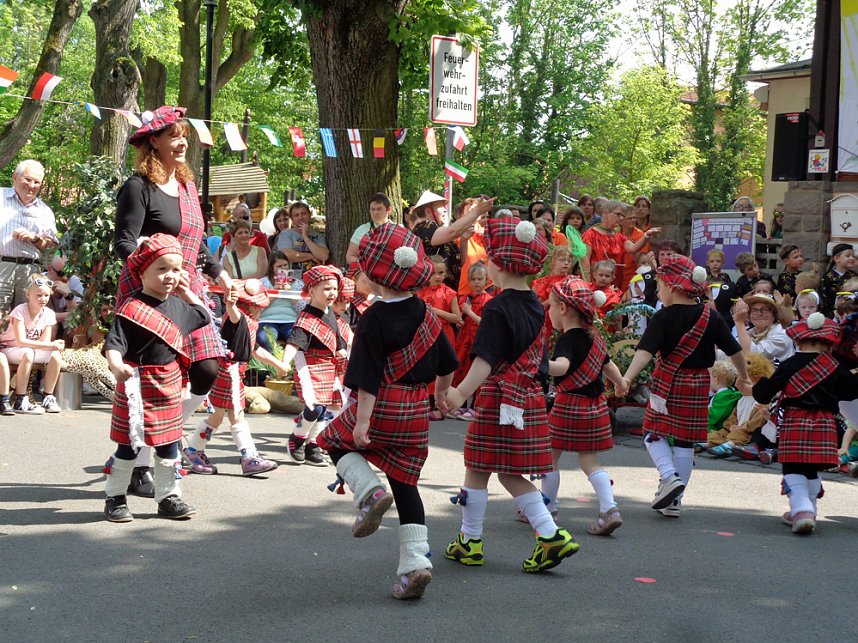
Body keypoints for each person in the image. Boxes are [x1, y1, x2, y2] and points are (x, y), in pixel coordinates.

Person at [316, 222, 458, 600]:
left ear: (376, 278)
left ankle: (368, 491)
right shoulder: (428, 314)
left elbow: (366, 378)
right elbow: (448, 364)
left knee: (331, 441)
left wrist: (362, 422)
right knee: (406, 484)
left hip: (382, 405)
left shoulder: (373, 318)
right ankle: (415, 565)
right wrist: (441, 396)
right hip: (416, 412)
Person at [440, 213, 580, 574]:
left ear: (499, 264)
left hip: (499, 396)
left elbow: (485, 360)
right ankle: (547, 534)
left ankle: (473, 541)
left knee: (478, 468)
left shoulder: (496, 306)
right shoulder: (535, 302)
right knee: (506, 472)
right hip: (528, 396)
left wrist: (459, 393)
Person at [115, 106, 232, 498]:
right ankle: (139, 466)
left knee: (208, 368)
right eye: (173, 136)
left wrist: (221, 275)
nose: (182, 143)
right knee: (151, 377)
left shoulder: (186, 186)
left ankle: (160, 435)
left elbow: (197, 245)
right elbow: (124, 243)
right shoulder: (138, 186)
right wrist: (153, 265)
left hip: (188, 289)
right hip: (149, 292)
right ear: (154, 141)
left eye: (184, 135)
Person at [622, 254, 750, 518]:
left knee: (652, 432)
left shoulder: (663, 317)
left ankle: (669, 476)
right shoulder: (711, 316)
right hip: (699, 382)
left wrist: (627, 378)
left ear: (672, 286)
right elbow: (734, 350)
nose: (658, 291)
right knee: (685, 441)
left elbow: (645, 352)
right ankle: (674, 502)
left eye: (660, 285)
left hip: (668, 381)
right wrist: (744, 376)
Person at [101, 234, 210, 522]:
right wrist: (116, 366)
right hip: (136, 384)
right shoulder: (131, 308)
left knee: (169, 445)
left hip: (169, 384)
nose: (170, 275)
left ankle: (168, 497)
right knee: (129, 445)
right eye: (162, 268)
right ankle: (115, 498)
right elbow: (114, 345)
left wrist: (186, 292)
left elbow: (203, 315)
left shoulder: (179, 306)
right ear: (142, 272)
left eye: (176, 269)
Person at [751, 313, 858, 534]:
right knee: (811, 468)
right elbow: (851, 392)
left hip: (795, 419)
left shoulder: (790, 364)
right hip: (825, 422)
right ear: (828, 342)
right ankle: (808, 510)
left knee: (793, 466)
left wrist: (760, 384)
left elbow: (764, 394)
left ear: (798, 340)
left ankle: (802, 509)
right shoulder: (835, 367)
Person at [541, 277, 629, 535]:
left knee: (550, 458)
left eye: (551, 305)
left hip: (568, 405)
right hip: (595, 407)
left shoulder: (567, 339)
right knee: (590, 462)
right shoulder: (595, 338)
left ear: (563, 308)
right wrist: (621, 383)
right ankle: (609, 509)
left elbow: (562, 367)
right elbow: (608, 365)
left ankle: (547, 509)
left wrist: (541, 364)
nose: (549, 311)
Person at [183, 280, 279, 477]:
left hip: (231, 371)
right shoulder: (238, 317)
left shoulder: (248, 323)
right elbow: (235, 315)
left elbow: (254, 349)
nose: (261, 310)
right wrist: (231, 304)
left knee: (217, 416)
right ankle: (249, 457)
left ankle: (194, 450)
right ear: (252, 306)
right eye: (259, 306)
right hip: (230, 371)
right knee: (236, 415)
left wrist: (277, 364)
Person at [280, 265, 347, 466]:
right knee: (314, 407)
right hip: (309, 364)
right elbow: (294, 343)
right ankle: (297, 439)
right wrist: (283, 362)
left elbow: (337, 339)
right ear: (311, 291)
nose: (332, 293)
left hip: (328, 365)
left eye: (334, 288)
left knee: (324, 408)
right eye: (326, 288)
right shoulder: (306, 318)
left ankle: (313, 445)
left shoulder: (330, 313)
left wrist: (341, 351)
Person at [0, 160, 58, 316]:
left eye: (36, 182)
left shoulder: (45, 211)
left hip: (30, 270)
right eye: (28, 179)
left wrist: (35, 238)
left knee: (26, 318)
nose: (31, 185)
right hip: (2, 266)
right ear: (15, 177)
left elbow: (52, 247)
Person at [0, 273, 64, 414]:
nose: (43, 299)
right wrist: (51, 345)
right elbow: (21, 341)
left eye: (46, 295)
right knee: (28, 353)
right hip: (10, 348)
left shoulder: (49, 313)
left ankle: (48, 397)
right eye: (39, 295)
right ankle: (20, 399)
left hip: (28, 349)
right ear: (28, 294)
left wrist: (53, 346)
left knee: (55, 355)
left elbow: (45, 342)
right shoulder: (20, 311)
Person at [417, 256, 461, 421]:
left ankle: (440, 405)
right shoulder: (420, 292)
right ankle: (426, 403)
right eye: (433, 273)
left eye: (441, 273)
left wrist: (437, 312)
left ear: (446, 274)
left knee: (443, 368)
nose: (437, 276)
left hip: (444, 334)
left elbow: (457, 318)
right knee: (426, 366)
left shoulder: (449, 293)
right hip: (425, 334)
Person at [581, 199, 659, 285]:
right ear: (606, 214)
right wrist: (587, 285)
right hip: (596, 284)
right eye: (618, 214)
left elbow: (633, 248)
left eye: (622, 215)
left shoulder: (618, 236)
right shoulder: (590, 234)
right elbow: (584, 261)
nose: (621, 218)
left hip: (615, 284)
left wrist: (646, 235)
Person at [451, 262, 492, 420]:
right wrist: (460, 319)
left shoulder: (488, 300)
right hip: (464, 339)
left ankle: (475, 406)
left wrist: (469, 312)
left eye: (480, 279)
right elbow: (461, 320)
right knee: (461, 370)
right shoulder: (466, 298)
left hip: (479, 339)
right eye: (473, 279)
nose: (476, 282)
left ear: (486, 280)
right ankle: (461, 404)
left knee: (477, 372)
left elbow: (485, 323)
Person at [733, 293, 795, 363]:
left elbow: (753, 355)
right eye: (754, 310)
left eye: (765, 309)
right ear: (749, 316)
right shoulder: (750, 332)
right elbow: (730, 352)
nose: (759, 314)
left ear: (774, 315)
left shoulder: (782, 334)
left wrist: (739, 322)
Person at [256, 250, 299, 353]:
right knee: (264, 338)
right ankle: (271, 362)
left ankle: (290, 361)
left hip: (290, 320)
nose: (283, 268)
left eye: (285, 265)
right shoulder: (263, 283)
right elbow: (258, 307)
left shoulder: (297, 283)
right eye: (279, 266)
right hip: (267, 320)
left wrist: (290, 292)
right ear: (272, 268)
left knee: (296, 338)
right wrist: (275, 292)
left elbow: (302, 308)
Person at [275, 201, 330, 271]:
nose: (300, 217)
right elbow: (285, 255)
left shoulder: (318, 236)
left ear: (309, 215)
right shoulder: (286, 234)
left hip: (315, 275)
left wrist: (306, 238)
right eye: (296, 215)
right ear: (292, 219)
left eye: (303, 213)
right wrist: (311, 256)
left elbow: (324, 256)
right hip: (291, 276)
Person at [46, 254, 83, 345]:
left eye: (69, 274)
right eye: (61, 273)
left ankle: (66, 350)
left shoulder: (76, 282)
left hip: (63, 322)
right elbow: (37, 314)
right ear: (49, 269)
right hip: (46, 323)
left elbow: (77, 314)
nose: (65, 278)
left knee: (74, 327)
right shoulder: (40, 281)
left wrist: (68, 295)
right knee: (51, 326)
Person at [346, 193, 392, 264]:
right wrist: (367, 266)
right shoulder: (361, 230)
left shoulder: (398, 230)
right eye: (373, 209)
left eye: (379, 209)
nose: (375, 213)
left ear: (388, 209)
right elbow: (350, 256)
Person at [820, 243, 856, 317]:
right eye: (848, 256)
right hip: (831, 315)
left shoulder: (854, 276)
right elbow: (823, 299)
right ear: (836, 258)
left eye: (853, 256)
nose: (852, 258)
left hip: (852, 313)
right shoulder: (828, 277)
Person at [618, 203, 646, 291]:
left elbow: (642, 259)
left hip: (633, 276)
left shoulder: (641, 235)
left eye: (635, 217)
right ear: (621, 220)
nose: (633, 220)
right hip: (616, 274)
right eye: (630, 218)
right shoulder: (615, 234)